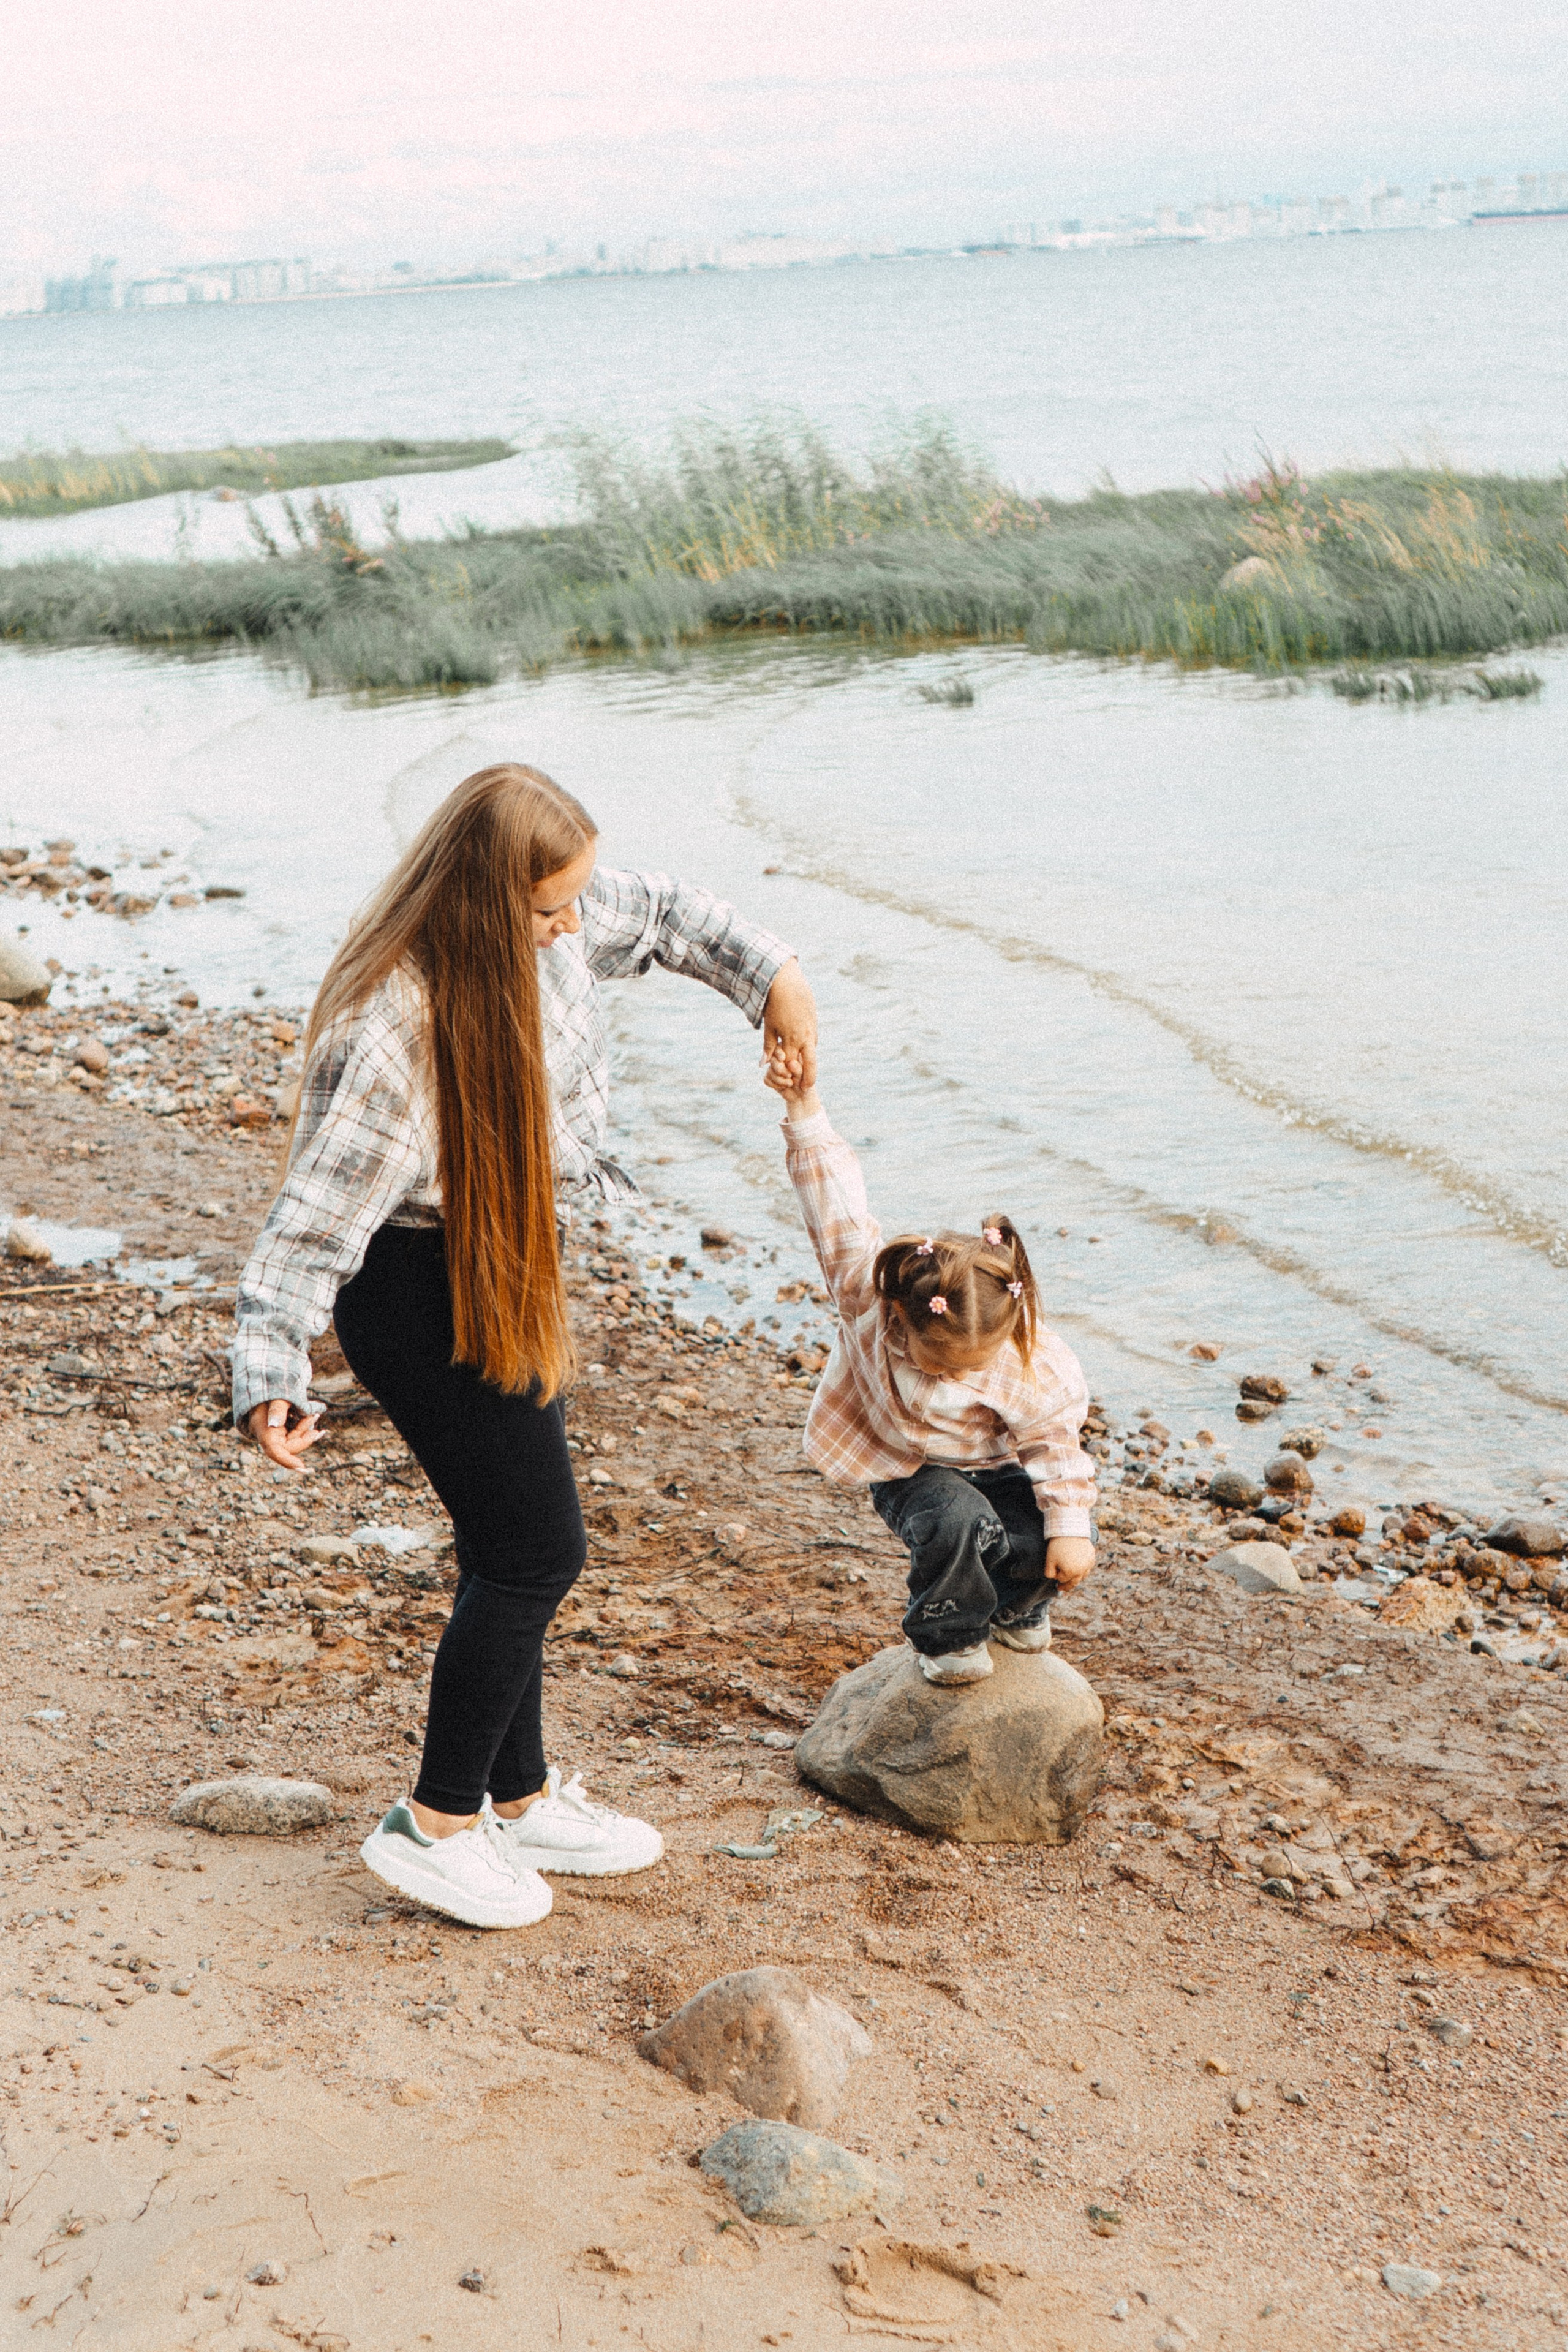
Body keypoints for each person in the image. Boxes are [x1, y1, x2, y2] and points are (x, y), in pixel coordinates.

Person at [232, 763, 816, 1929]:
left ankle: (521, 1790)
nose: (569, 929)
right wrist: (272, 1374)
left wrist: (778, 986)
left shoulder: (546, 926)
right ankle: (438, 1822)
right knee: (537, 1555)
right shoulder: (396, 1021)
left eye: (569, 904)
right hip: (415, 1294)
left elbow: (666, 917)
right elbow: (310, 1220)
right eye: (547, 910)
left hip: (501, 1271)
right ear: (480, 900)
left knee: (508, 1539)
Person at [763, 1044, 1095, 1683]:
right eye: (937, 1362)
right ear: (902, 1317)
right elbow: (835, 1209)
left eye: (970, 1366)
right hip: (907, 1467)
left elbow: (1055, 1449)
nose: (950, 1377)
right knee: (958, 1521)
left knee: (1040, 1531)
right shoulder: (868, 1294)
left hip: (996, 1466)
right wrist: (801, 1105)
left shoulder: (1028, 1362)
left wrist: (1071, 1530)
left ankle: (1013, 1608)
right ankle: (947, 1634)